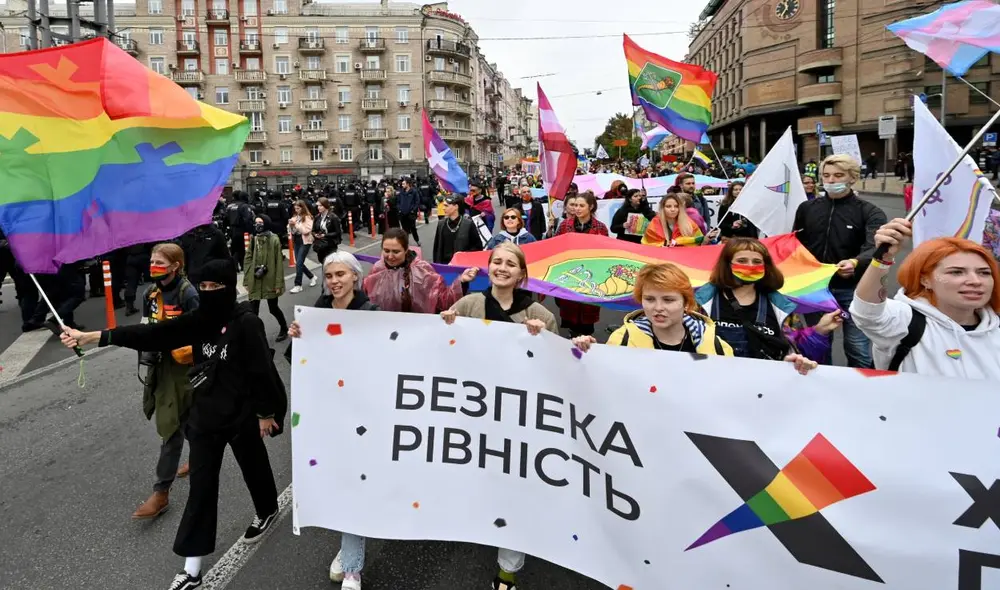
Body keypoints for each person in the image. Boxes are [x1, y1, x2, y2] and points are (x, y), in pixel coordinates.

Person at [59, 258, 285, 590]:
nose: (208, 293)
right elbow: (154, 333)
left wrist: (266, 414)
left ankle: (267, 510)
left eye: (215, 287)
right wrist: (95, 336)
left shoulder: (246, 323)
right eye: (203, 287)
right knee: (202, 488)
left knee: (253, 464)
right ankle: (192, 569)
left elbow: (262, 371)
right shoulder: (200, 319)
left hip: (242, 411)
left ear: (228, 287)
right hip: (206, 413)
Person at [439, 242, 557, 590]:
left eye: (510, 264)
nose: (502, 268)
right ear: (489, 268)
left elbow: (558, 369)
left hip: (519, 418)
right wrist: (445, 324)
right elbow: (436, 348)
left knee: (515, 489)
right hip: (474, 412)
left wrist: (545, 339)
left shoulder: (541, 315)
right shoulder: (469, 304)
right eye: (497, 262)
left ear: (522, 274)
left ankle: (507, 571)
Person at [283, 251, 375, 590]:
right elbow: (300, 363)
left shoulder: (372, 315)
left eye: (341, 274)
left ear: (355, 277)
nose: (334, 281)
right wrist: (298, 337)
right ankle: (348, 550)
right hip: (326, 413)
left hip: (363, 414)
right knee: (337, 482)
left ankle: (352, 565)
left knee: (356, 484)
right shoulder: (316, 314)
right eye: (330, 275)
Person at [849, 220, 1000, 378]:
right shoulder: (905, 322)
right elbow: (867, 312)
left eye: (984, 273)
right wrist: (882, 258)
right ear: (925, 280)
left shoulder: (995, 329)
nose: (975, 281)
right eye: (956, 272)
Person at [792, 154, 887, 368]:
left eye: (838, 175)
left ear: (852, 178)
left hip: (854, 290)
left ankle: (863, 389)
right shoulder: (807, 208)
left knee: (857, 347)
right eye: (826, 176)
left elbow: (876, 246)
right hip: (816, 288)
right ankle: (822, 388)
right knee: (818, 344)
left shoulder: (870, 212)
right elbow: (796, 244)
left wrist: (855, 263)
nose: (831, 180)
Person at [131, 243, 200, 521]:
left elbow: (202, 332)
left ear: (176, 266)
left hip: (184, 370)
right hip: (160, 368)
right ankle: (199, 456)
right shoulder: (151, 293)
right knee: (184, 422)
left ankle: (161, 493)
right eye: (152, 261)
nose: (154, 266)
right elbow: (147, 325)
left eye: (160, 262)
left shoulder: (188, 294)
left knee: (171, 428)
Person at [695, 237, 840, 363]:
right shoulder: (700, 303)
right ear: (727, 265)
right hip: (714, 383)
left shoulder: (780, 306)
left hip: (765, 388)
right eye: (742, 260)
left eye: (757, 261)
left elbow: (799, 351)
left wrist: (820, 330)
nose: (750, 266)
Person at [573, 262, 734, 355]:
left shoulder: (716, 347)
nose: (658, 308)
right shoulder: (622, 340)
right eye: (649, 299)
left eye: (668, 300)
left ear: (686, 303)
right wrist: (585, 353)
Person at [364, 228, 476, 313]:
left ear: (406, 249)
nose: (390, 256)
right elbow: (364, 297)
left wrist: (461, 281)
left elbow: (443, 300)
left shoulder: (422, 270)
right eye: (386, 251)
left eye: (396, 251)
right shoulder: (377, 269)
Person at [554, 191, 609, 337]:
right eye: (575, 205)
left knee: (587, 315)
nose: (577, 208)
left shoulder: (601, 228)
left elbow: (606, 254)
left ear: (591, 207)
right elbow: (555, 248)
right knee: (570, 313)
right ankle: (573, 335)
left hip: (591, 276)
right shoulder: (564, 226)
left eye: (581, 205)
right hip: (569, 275)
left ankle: (586, 341)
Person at [245, 215, 289, 343]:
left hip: (270, 279)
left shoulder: (274, 239)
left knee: (273, 308)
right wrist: (247, 280)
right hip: (255, 278)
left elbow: (278, 263)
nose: (257, 225)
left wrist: (278, 283)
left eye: (260, 222)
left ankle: (284, 328)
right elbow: (247, 259)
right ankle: (256, 335)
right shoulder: (253, 239)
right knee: (253, 310)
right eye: (256, 222)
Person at [433, 194, 482, 265]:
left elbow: (477, 247)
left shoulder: (468, 224)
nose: (443, 208)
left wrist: (463, 255)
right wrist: (436, 267)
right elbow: (436, 248)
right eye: (444, 205)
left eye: (446, 205)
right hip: (445, 267)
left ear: (456, 207)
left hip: (463, 266)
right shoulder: (441, 224)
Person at [287, 200, 317, 294]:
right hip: (297, 240)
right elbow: (290, 229)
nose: (296, 210)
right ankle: (312, 277)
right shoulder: (296, 217)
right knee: (299, 263)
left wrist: (295, 224)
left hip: (305, 241)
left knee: (299, 262)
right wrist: (291, 226)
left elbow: (306, 231)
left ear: (303, 208)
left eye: (298, 208)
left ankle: (298, 285)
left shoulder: (308, 217)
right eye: (295, 208)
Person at [311, 197, 342, 267]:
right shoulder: (317, 217)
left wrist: (325, 235)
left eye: (320, 206)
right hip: (320, 245)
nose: (318, 207)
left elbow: (337, 232)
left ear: (326, 206)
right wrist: (315, 234)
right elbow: (313, 230)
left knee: (329, 265)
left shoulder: (333, 217)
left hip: (331, 244)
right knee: (323, 263)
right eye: (318, 205)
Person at [397, 178, 422, 246]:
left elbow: (417, 202)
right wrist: (399, 209)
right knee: (405, 229)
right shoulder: (401, 192)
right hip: (402, 213)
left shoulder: (414, 191)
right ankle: (406, 243)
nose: (402, 185)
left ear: (408, 184)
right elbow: (398, 201)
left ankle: (417, 240)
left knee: (413, 228)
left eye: (403, 184)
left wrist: (413, 210)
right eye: (402, 184)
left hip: (411, 214)